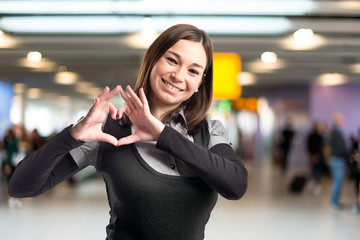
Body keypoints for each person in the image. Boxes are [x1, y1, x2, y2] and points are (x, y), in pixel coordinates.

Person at [9, 24, 248, 239]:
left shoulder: (209, 131)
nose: (178, 76)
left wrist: (163, 135)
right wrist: (71, 136)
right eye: (172, 60)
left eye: (193, 71)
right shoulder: (109, 129)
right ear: (152, 61)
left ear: (200, 84)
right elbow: (21, 187)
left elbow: (235, 187)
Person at [328, 112, 349, 209]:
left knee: (338, 181)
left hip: (337, 159)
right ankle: (334, 202)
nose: (343, 121)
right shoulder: (336, 133)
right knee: (338, 181)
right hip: (337, 159)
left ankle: (335, 201)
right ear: (338, 121)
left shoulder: (335, 132)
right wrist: (349, 153)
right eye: (342, 119)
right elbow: (341, 148)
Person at [306, 121, 325, 194]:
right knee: (317, 171)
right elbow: (319, 147)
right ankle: (316, 184)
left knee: (313, 170)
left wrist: (311, 155)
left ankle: (312, 183)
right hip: (318, 156)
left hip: (312, 155)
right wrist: (316, 155)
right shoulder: (320, 137)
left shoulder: (310, 136)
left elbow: (308, 146)